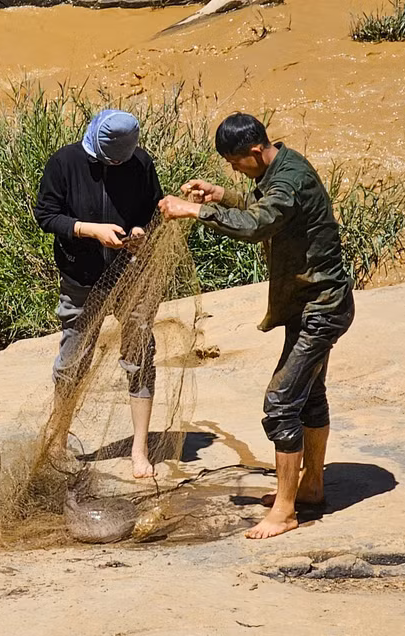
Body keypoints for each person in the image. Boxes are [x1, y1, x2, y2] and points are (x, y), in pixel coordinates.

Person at [158, 113, 355, 539]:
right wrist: (223, 196)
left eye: (234, 164)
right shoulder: (279, 167)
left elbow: (259, 225)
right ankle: (312, 487)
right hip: (309, 304)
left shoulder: (290, 179)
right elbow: (263, 212)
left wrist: (194, 210)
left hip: (322, 307)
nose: (234, 170)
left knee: (281, 404)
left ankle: (285, 511)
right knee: (309, 396)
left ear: (254, 151)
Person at [34, 109, 163, 479]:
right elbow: (46, 215)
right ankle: (58, 442)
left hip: (132, 276)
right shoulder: (65, 161)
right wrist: (90, 230)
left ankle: (139, 450)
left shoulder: (140, 163)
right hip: (81, 278)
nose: (116, 164)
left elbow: (151, 212)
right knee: (73, 361)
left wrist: (139, 232)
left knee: (140, 356)